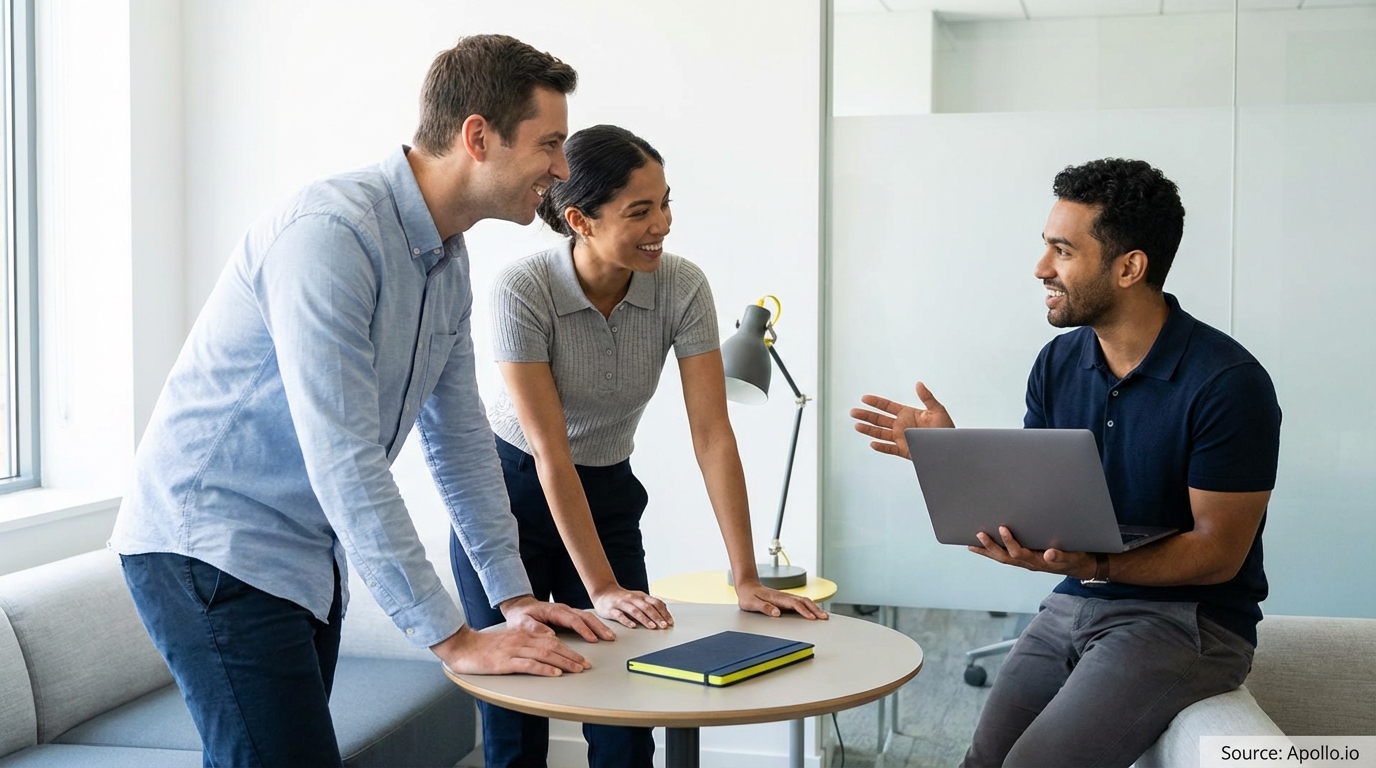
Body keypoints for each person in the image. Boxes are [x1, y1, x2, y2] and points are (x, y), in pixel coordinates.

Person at [109, 34, 619, 768]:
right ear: (478, 136)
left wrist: (509, 594)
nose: (562, 169)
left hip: (303, 558)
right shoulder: (331, 236)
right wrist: (454, 639)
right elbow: (344, 458)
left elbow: (461, 439)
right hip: (209, 548)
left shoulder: (447, 260)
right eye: (550, 144)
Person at [851, 158, 1282, 767]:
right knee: (982, 760)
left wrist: (1099, 563)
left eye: (1062, 251)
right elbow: (1041, 499)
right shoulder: (1057, 363)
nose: (1040, 268)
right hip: (1076, 599)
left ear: (1130, 267)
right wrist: (950, 455)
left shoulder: (1227, 384)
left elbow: (1219, 553)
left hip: (1190, 622)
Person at [451, 124, 829, 768]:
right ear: (580, 220)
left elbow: (712, 434)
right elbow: (548, 451)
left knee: (627, 713)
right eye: (640, 210)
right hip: (507, 497)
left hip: (607, 492)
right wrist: (600, 589)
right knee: (516, 721)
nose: (664, 223)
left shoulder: (681, 287)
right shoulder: (522, 288)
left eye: (666, 201)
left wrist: (744, 576)